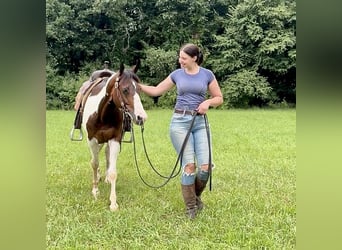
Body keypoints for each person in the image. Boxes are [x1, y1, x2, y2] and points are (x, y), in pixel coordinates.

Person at [138, 43, 223, 219]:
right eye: (180, 57)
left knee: (205, 167)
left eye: (184, 58)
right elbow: (155, 91)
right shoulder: (176, 74)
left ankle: (196, 196)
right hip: (180, 123)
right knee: (190, 165)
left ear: (194, 58)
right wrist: (136, 85)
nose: (180, 61)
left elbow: (219, 98)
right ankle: (191, 208)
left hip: (200, 123)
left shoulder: (207, 74)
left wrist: (207, 103)